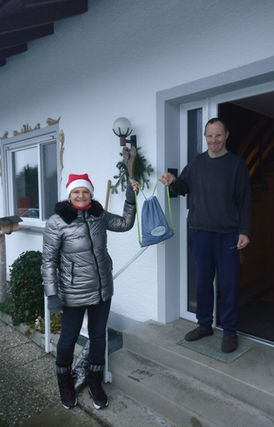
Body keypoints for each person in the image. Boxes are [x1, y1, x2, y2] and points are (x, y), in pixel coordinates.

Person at [41, 173, 137, 409]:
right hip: (72, 293)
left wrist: (130, 200)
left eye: (84, 191)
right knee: (68, 338)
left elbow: (125, 224)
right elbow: (48, 261)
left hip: (102, 290)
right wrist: (52, 294)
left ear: (90, 194)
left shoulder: (99, 216)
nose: (80, 195)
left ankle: (95, 383)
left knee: (97, 337)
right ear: (69, 195)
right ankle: (65, 384)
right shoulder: (57, 222)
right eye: (76, 192)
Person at [159, 118, 251, 353]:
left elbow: (245, 202)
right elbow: (182, 188)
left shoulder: (236, 165)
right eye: (209, 136)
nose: (213, 140)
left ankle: (230, 331)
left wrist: (245, 231)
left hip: (228, 234)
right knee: (202, 282)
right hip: (200, 233)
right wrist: (172, 182)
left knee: (229, 284)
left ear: (227, 135)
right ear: (204, 136)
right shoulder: (197, 163)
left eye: (218, 135)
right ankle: (204, 325)